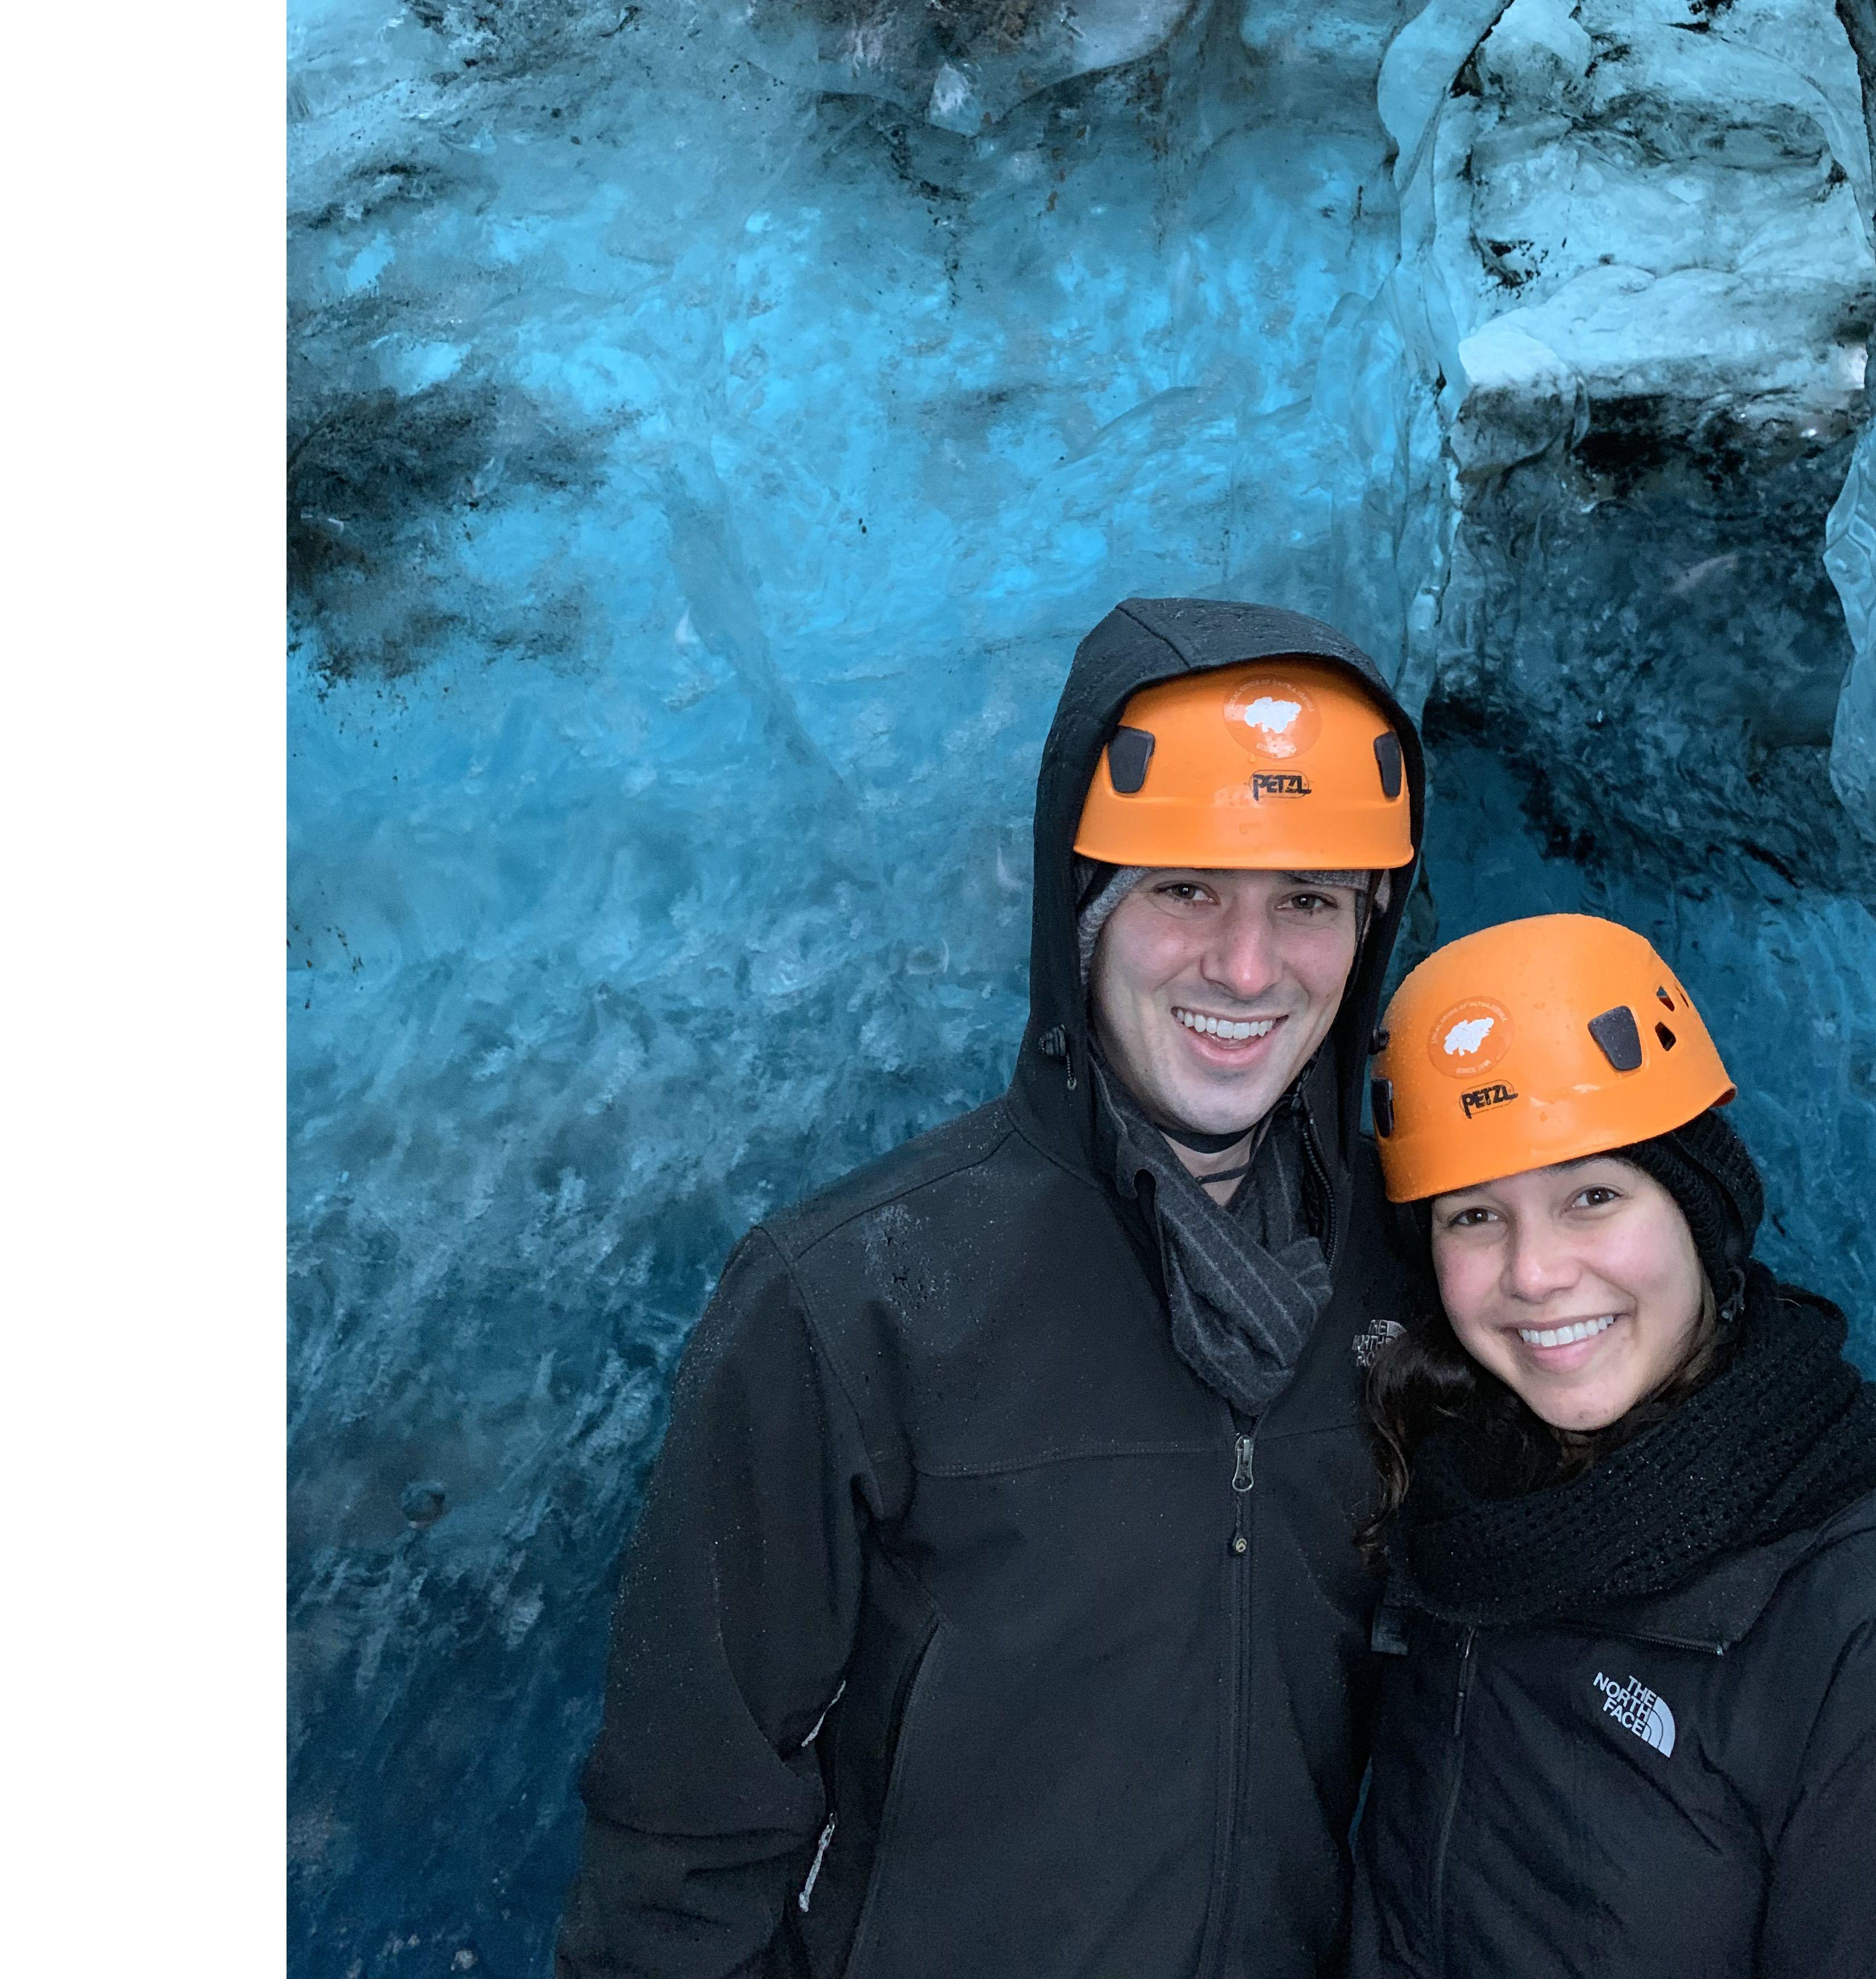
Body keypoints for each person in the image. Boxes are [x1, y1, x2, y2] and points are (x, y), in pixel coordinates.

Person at [555, 596, 1430, 1979]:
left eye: (1309, 900)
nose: (1248, 968)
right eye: (1186, 889)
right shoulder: (852, 1304)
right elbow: (681, 1852)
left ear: (1369, 930)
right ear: (1082, 913)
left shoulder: (1422, 1281)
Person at [1349, 913, 1876, 1979]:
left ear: (1702, 1214)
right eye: (1473, 1216)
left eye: (1592, 1196)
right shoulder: (1459, 1506)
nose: (1537, 1272)